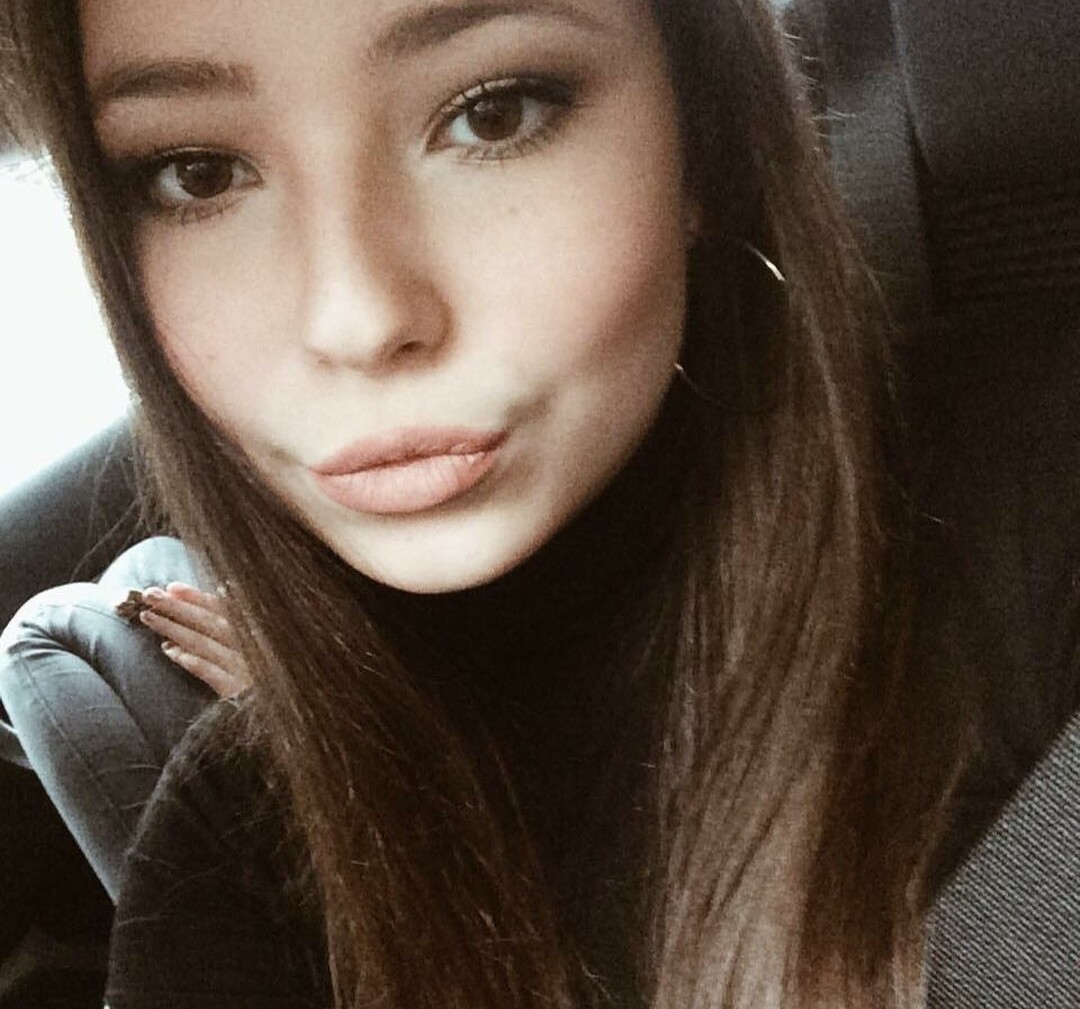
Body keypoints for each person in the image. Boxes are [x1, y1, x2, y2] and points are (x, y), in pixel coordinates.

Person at [0, 0, 980, 1006]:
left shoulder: (1027, 560)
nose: (356, 317)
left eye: (493, 113)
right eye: (199, 172)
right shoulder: (236, 832)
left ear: (706, 137)